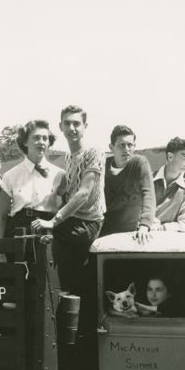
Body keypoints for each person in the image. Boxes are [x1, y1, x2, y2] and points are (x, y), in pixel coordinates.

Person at [31, 105, 105, 297]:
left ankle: (44, 293)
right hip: (73, 221)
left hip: (88, 222)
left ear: (85, 126)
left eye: (76, 124)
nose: (72, 128)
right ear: (60, 126)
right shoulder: (68, 157)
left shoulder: (94, 153)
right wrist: (59, 189)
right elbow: (67, 190)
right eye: (67, 123)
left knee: (44, 236)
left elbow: (83, 193)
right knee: (33, 229)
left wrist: (54, 220)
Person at [0, 119, 63, 238]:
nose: (41, 142)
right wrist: (0, 250)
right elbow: (2, 216)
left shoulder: (59, 174)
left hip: (48, 229)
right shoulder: (10, 175)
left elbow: (64, 208)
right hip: (18, 229)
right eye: (36, 138)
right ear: (25, 142)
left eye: (45, 138)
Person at [102, 124, 155, 242]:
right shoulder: (103, 166)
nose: (126, 149)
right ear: (111, 147)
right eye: (121, 145)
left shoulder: (139, 163)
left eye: (130, 145)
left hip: (132, 231)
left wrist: (144, 226)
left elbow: (148, 194)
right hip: (105, 230)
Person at [151, 138, 185, 233]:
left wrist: (162, 228)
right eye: (184, 157)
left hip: (167, 240)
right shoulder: (145, 180)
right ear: (170, 157)